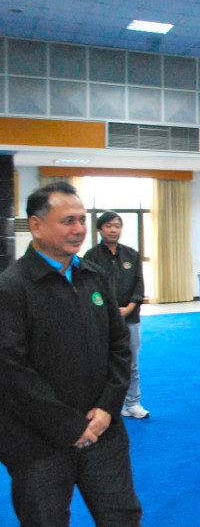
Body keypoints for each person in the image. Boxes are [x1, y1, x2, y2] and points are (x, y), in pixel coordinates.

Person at [0, 182, 142, 526]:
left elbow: (119, 347)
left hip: (103, 431)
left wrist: (107, 408)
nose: (78, 229)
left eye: (81, 220)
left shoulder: (94, 277)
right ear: (36, 225)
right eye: (67, 221)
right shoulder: (12, 287)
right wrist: (70, 426)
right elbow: (10, 371)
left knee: (122, 517)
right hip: (38, 442)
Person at [84, 211, 150, 419]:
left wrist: (129, 307)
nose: (113, 230)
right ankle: (106, 405)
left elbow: (139, 284)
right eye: (109, 226)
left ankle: (132, 403)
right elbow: (89, 289)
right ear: (100, 229)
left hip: (130, 318)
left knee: (132, 363)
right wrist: (107, 310)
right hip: (102, 320)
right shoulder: (91, 257)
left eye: (117, 226)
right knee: (102, 363)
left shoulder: (131, 254)